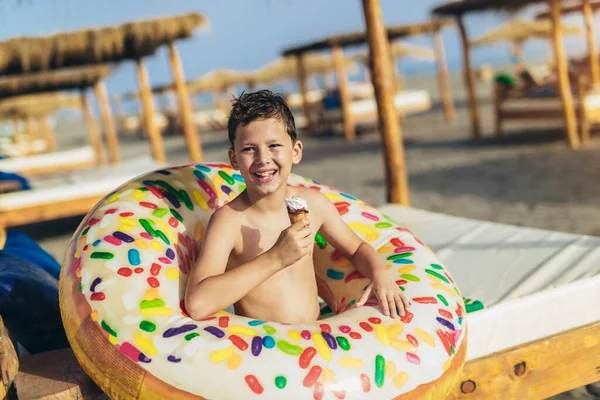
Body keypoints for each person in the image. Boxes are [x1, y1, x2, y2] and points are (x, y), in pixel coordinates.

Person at [185, 90, 409, 324]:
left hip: (316, 338)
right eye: (249, 149)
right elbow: (198, 303)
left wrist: (380, 274)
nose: (263, 158)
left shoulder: (313, 204)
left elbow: (357, 249)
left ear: (295, 152)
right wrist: (276, 258)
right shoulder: (230, 221)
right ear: (233, 159)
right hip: (266, 349)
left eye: (274, 145)